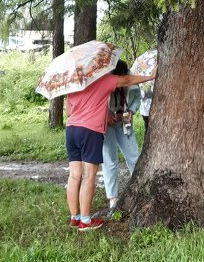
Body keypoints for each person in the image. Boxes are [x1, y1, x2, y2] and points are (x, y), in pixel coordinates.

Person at [65, 61, 157, 230]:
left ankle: (74, 217)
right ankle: (85, 221)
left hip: (71, 130)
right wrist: (150, 76)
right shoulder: (103, 81)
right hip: (90, 130)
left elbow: (69, 112)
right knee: (89, 176)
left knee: (74, 176)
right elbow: (128, 80)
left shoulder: (74, 85)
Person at [101, 60, 141, 210]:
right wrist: (105, 115)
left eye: (124, 77)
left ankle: (138, 188)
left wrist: (131, 111)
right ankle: (113, 197)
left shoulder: (130, 79)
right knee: (109, 160)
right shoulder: (103, 80)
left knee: (134, 156)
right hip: (107, 124)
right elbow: (97, 101)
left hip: (124, 120)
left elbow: (136, 98)